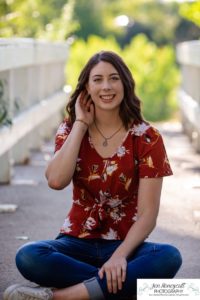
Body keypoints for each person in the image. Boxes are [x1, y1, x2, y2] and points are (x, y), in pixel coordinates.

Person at [4, 51, 182, 300]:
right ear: (86, 87)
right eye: (97, 79)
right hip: (76, 242)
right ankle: (124, 289)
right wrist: (80, 124)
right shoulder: (70, 129)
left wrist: (119, 257)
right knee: (28, 256)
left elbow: (148, 215)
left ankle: (60, 297)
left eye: (114, 78)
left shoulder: (147, 137)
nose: (106, 87)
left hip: (126, 245)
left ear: (125, 84)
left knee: (169, 257)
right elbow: (56, 181)